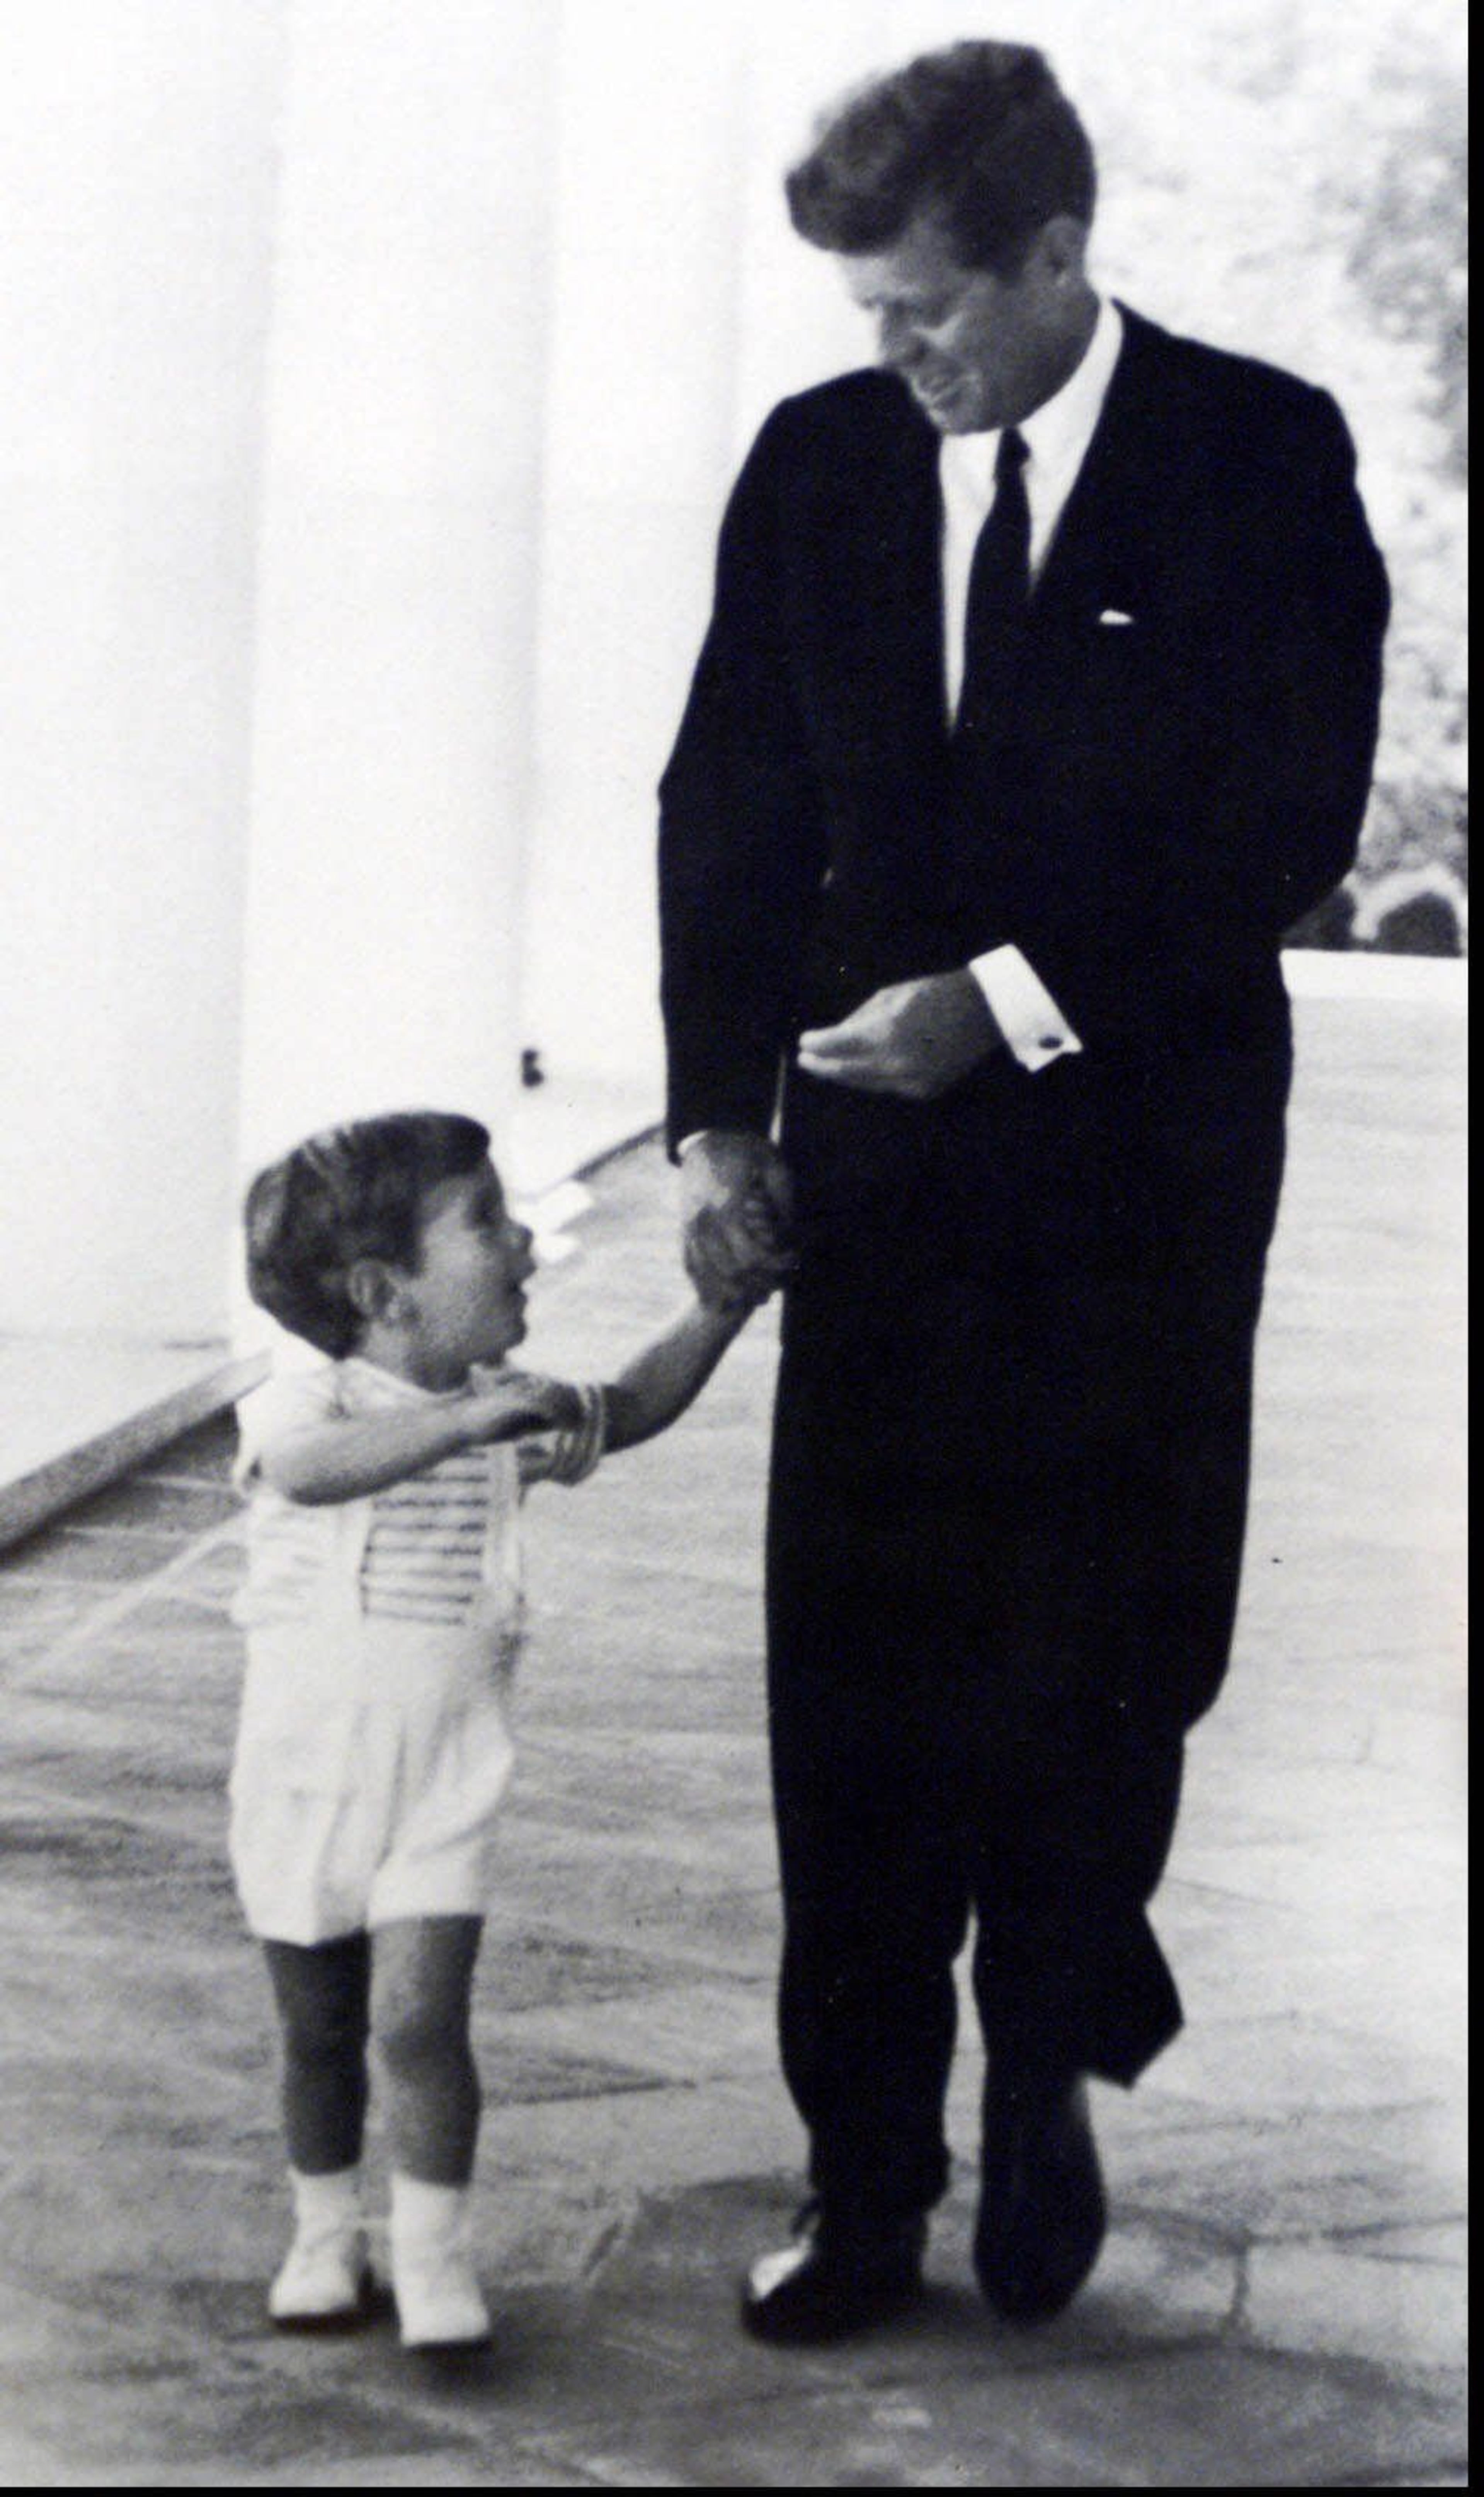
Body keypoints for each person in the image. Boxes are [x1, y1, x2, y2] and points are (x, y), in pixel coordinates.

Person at [659, 40, 1389, 2344]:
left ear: (1058, 254)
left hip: (1145, 1179)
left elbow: (1292, 813)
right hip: (877, 1179)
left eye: (927, 309)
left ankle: (1050, 2047)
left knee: (1103, 1654)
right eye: (866, 312)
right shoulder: (820, 465)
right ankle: (866, 2174)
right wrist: (715, 1119)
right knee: (856, 1674)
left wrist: (1010, 999)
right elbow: (728, 799)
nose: (896, 354)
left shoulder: (1260, 453)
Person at [232, 1110, 764, 2348]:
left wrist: (719, 1312)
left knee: (420, 2023)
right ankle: (325, 2236)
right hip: (305, 1779)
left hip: (446, 1778)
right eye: (486, 1223)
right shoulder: (308, 1401)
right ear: (385, 1294)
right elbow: (307, 1472)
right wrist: (464, 1425)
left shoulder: (501, 1409)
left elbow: (626, 1406)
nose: (522, 1242)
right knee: (319, 2029)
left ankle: (431, 2257)